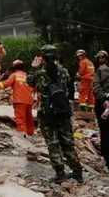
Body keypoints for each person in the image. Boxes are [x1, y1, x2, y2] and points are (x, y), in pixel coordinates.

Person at [27, 45, 83, 183]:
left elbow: (29, 81)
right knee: (67, 142)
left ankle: (60, 173)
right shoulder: (63, 71)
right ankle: (77, 172)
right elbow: (69, 81)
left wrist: (34, 67)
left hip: (47, 111)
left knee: (53, 143)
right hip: (63, 110)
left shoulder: (40, 73)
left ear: (42, 57)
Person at [0, 59, 35, 135]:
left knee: (20, 118)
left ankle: (22, 134)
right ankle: (30, 133)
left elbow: (7, 83)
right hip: (29, 100)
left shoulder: (14, 75)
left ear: (14, 67)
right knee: (29, 118)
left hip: (19, 100)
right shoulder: (27, 76)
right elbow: (33, 87)